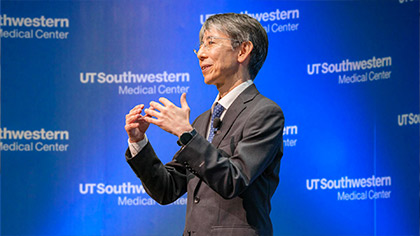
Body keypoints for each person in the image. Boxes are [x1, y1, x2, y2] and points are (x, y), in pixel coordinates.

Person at [125, 13, 284, 236]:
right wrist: (138, 142)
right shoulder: (202, 121)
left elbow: (234, 179)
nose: (200, 54)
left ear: (243, 50)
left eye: (211, 42)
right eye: (200, 46)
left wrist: (186, 133)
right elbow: (167, 189)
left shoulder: (265, 113)